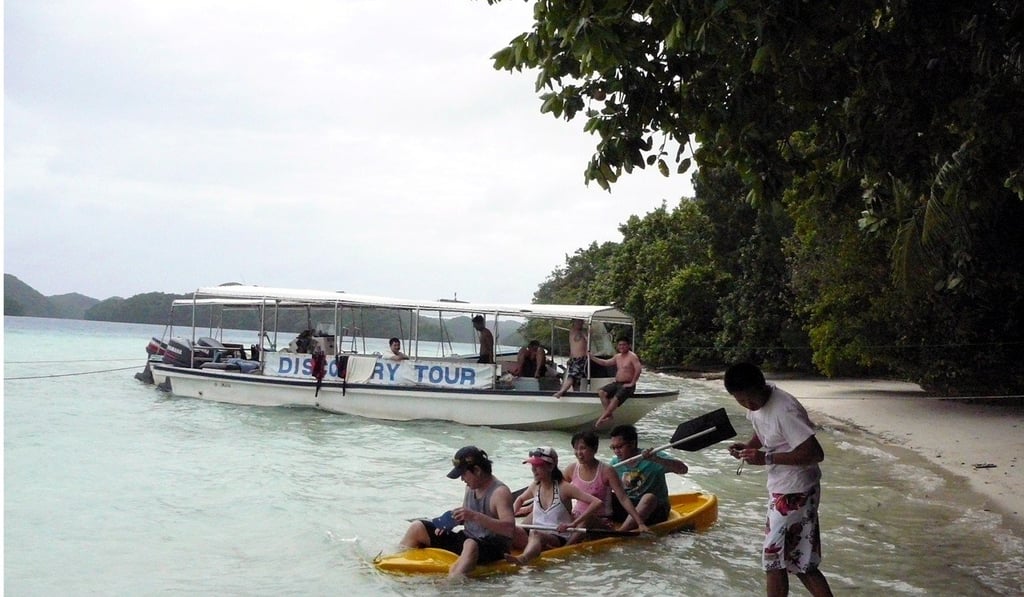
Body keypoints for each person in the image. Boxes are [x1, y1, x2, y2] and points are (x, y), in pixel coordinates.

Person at [724, 362, 834, 597]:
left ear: (761, 386)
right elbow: (763, 428)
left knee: (774, 560)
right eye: (741, 401)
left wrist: (766, 458)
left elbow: (815, 453)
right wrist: (749, 447)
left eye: (750, 399)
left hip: (797, 491)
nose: (749, 405)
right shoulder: (758, 404)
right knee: (800, 562)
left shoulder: (785, 410)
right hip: (782, 489)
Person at [398, 446, 515, 579]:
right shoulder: (470, 487)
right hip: (467, 538)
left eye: (463, 474)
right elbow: (466, 517)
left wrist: (474, 516)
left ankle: (452, 583)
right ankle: (396, 560)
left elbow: (509, 529)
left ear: (477, 470)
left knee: (470, 544)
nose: (462, 479)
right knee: (417, 527)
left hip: (492, 548)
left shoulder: (500, 492)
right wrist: (449, 523)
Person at [504, 447, 603, 566]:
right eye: (532, 466)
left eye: (538, 466)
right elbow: (520, 499)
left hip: (558, 536)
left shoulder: (564, 487)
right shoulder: (535, 486)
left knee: (535, 534)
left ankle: (524, 558)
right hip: (535, 535)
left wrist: (573, 524)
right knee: (509, 529)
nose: (533, 470)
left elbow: (596, 502)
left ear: (551, 467)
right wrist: (509, 518)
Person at [563, 430, 651, 538]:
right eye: (576, 449)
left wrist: (640, 523)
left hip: (601, 521)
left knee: (588, 519)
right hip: (576, 518)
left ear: (595, 449)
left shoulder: (607, 470)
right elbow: (556, 490)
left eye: (583, 448)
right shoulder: (571, 469)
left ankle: (567, 546)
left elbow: (623, 498)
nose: (579, 453)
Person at [608, 424, 687, 531]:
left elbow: (683, 470)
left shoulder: (653, 456)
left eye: (620, 447)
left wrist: (657, 459)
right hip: (629, 507)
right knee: (601, 495)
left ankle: (621, 532)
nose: (616, 451)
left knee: (648, 497)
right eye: (613, 448)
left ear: (632, 444)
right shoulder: (615, 463)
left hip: (655, 510)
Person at [591, 336, 642, 428]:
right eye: (620, 345)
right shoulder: (617, 356)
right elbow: (605, 363)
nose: (622, 347)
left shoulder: (632, 356)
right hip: (617, 383)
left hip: (627, 384)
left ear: (629, 345)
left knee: (614, 399)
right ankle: (609, 415)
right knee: (602, 392)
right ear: (617, 346)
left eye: (624, 345)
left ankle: (602, 417)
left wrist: (632, 383)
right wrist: (592, 357)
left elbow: (638, 369)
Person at [553, 318, 588, 398]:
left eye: (581, 322)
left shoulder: (584, 332)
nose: (580, 323)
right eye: (577, 321)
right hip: (574, 359)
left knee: (572, 376)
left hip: (582, 359)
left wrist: (586, 334)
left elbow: (588, 342)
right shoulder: (572, 331)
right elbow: (573, 346)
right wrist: (570, 358)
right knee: (574, 378)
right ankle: (572, 392)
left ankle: (562, 391)